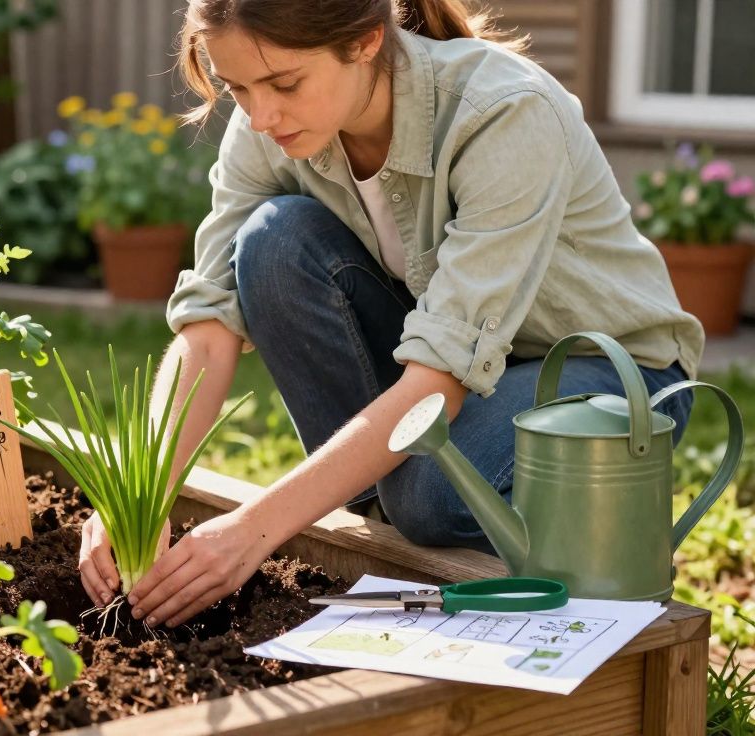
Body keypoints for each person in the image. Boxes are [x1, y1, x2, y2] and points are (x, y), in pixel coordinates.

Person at [76, 0, 704, 629]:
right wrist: (138, 490)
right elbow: (209, 330)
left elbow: (437, 383)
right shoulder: (268, 129)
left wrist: (251, 531)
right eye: (237, 87)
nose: (261, 115)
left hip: (609, 377)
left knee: (425, 497)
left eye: (284, 83)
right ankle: (380, 503)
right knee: (273, 240)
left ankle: (455, 510)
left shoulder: (504, 113)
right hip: (456, 370)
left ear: (366, 41)